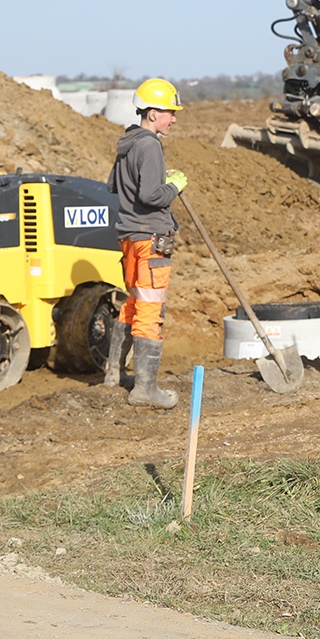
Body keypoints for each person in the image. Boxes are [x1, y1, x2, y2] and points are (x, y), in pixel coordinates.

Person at [105, 78, 187, 409]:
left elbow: (114, 185)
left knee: (134, 303)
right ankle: (145, 389)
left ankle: (113, 375)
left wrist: (157, 180)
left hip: (127, 235)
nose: (174, 118)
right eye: (170, 112)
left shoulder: (127, 142)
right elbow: (151, 195)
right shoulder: (150, 145)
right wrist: (174, 187)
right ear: (152, 114)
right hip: (150, 238)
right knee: (151, 308)